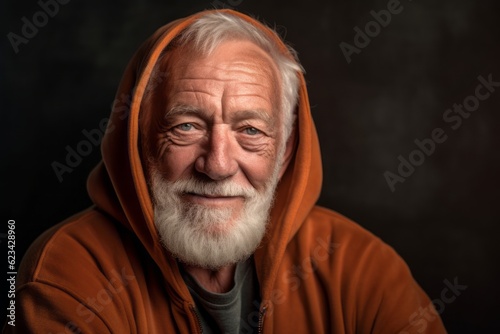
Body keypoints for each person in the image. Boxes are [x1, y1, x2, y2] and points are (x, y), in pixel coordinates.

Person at [5, 9, 447, 333]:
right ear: (137, 139)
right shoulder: (66, 274)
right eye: (186, 126)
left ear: (286, 150)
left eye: (251, 130)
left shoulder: (363, 269)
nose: (217, 165)